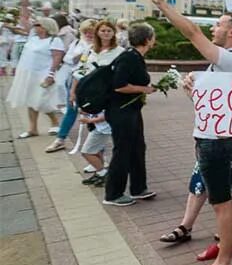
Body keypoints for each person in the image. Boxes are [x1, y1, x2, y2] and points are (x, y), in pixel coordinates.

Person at [148, 0, 232, 265]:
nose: (212, 29)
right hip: (220, 137)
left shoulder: (231, 60)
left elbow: (192, 31)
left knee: (220, 203)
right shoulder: (228, 64)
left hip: (215, 141)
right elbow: (211, 99)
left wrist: (164, 5)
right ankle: (227, 245)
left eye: (219, 25)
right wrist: (193, 86)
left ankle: (224, 263)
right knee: (225, 200)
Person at [103, 23, 157, 207]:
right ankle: (113, 194)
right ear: (147, 39)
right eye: (153, 37)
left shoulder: (135, 56)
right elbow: (119, 85)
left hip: (131, 110)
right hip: (121, 111)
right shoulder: (129, 58)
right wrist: (145, 89)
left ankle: (138, 188)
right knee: (123, 151)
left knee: (137, 148)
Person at [76, 21, 125, 175]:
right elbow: (80, 71)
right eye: (102, 30)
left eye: (109, 30)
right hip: (90, 95)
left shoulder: (120, 51)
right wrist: (75, 93)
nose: (105, 33)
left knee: (102, 129)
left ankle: (102, 169)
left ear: (113, 33)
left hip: (107, 95)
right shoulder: (91, 50)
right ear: (98, 33)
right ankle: (99, 164)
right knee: (94, 130)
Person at [6, 14, 65, 138]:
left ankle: (55, 123)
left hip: (43, 74)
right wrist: (24, 6)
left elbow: (57, 58)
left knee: (41, 100)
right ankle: (33, 129)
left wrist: (50, 75)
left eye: (38, 25)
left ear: (45, 27)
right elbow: (24, 20)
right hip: (28, 73)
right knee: (30, 100)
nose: (35, 26)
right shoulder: (33, 38)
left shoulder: (55, 40)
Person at [45, 19, 97, 153]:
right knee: (71, 110)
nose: (89, 35)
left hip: (93, 83)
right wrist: (83, 54)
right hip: (74, 80)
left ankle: (96, 148)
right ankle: (60, 139)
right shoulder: (77, 43)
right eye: (86, 32)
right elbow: (68, 59)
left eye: (92, 32)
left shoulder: (100, 45)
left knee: (93, 112)